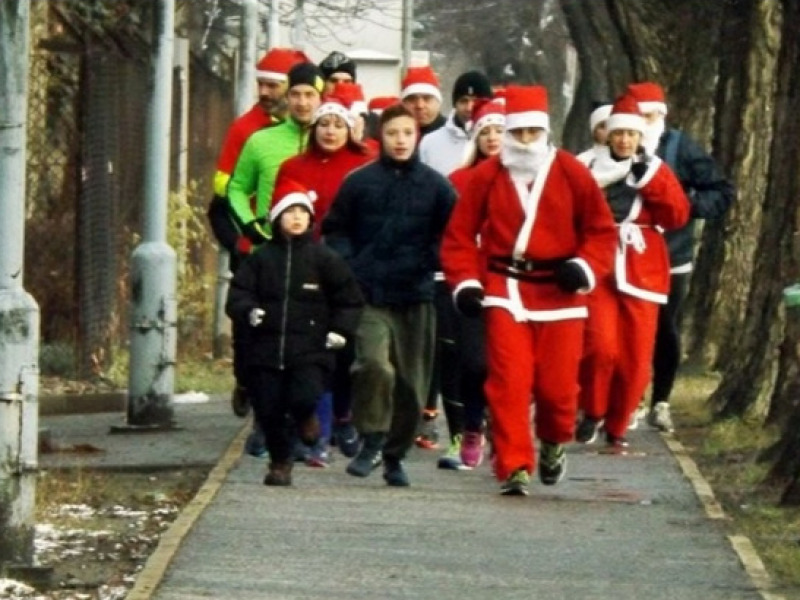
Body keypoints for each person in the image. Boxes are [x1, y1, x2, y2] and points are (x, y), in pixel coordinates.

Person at [440, 85, 618, 496]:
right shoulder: (487, 176)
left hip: (561, 292)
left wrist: (584, 266)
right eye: (517, 133)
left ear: (544, 132)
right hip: (506, 289)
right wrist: (466, 283)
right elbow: (460, 235)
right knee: (508, 382)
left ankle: (554, 441)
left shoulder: (572, 172)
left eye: (532, 133)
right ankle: (514, 464)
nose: (524, 142)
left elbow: (600, 232)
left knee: (557, 390)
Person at [322, 103, 456, 487]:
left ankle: (395, 455)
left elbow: (452, 235)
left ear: (418, 137)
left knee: (413, 387)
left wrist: (432, 262)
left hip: (416, 296)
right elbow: (335, 229)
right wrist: (351, 266)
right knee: (374, 366)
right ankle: (372, 439)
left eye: (408, 134)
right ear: (381, 136)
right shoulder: (359, 182)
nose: (400, 141)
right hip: (369, 295)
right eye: (393, 133)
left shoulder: (436, 186)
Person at [226, 179, 364, 486]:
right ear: (276, 218)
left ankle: (306, 417)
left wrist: (341, 330)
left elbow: (350, 298)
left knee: (303, 396)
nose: (297, 217)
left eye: (303, 211)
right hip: (266, 348)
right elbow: (238, 295)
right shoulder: (260, 259)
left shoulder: (324, 259)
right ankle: (280, 461)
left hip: (311, 349)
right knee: (269, 408)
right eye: (290, 212)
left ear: (311, 219)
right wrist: (249, 310)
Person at [575, 93, 690, 448]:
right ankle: (593, 410)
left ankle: (619, 424)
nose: (625, 140)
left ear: (641, 137)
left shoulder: (655, 170)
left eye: (632, 134)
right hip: (599, 264)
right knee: (600, 346)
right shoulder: (585, 168)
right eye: (618, 133)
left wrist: (650, 183)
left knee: (637, 357)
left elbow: (677, 215)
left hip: (642, 269)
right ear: (606, 134)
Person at [206, 47, 309, 423]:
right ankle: (247, 381)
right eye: (261, 84)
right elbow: (223, 191)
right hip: (252, 239)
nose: (265, 93)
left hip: (300, 242)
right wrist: (240, 239)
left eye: (274, 86)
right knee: (248, 322)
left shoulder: (316, 128)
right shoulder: (246, 127)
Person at [626, 81, 735, 433]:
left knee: (664, 329)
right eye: (639, 115)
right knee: (627, 330)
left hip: (673, 255)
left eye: (651, 115)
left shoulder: (681, 148)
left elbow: (721, 191)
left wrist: (687, 207)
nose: (644, 122)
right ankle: (628, 399)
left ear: (662, 115)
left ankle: (660, 400)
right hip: (625, 257)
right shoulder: (620, 145)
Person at [273, 89, 375, 462]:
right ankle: (307, 427)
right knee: (306, 350)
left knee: (344, 348)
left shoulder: (364, 166)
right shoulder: (294, 167)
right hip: (303, 268)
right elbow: (281, 214)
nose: (330, 131)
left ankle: (344, 418)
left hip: (349, 269)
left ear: (350, 129)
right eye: (324, 124)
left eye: (338, 124)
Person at [436, 97, 506, 471]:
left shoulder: (524, 179)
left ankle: (504, 428)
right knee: (474, 362)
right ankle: (471, 427)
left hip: (514, 282)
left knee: (508, 364)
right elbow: (450, 234)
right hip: (470, 284)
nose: (493, 138)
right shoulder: (458, 181)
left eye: (501, 130)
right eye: (487, 131)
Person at [226, 62, 324, 243]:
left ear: (321, 98)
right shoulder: (260, 140)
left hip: (320, 258)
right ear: (286, 97)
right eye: (295, 94)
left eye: (309, 95)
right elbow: (237, 188)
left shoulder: (332, 142)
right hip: (270, 253)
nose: (302, 102)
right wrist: (249, 225)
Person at [419, 70, 494, 176]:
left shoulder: (501, 141)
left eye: (476, 101)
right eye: (464, 101)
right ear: (455, 104)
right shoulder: (430, 142)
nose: (470, 107)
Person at [400, 65, 446, 138]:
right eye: (412, 99)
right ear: (403, 104)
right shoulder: (395, 136)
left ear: (438, 102)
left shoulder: (453, 134)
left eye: (427, 98)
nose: (420, 105)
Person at [575, 101, 613, 167]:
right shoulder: (582, 161)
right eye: (602, 126)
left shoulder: (633, 160)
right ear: (594, 131)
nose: (608, 130)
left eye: (612, 125)